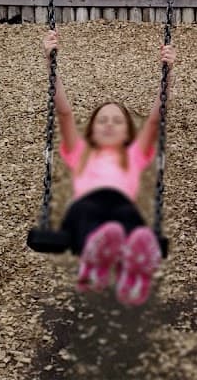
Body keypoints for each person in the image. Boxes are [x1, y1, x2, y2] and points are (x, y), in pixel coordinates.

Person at [43, 30, 174, 306]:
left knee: (128, 217)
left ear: (128, 131)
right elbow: (65, 113)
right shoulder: (80, 153)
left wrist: (167, 73)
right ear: (90, 129)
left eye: (117, 120)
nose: (110, 124)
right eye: (103, 120)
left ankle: (131, 274)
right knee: (92, 208)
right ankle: (95, 260)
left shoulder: (135, 155)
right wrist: (50, 61)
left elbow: (153, 121)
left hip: (120, 214)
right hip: (84, 218)